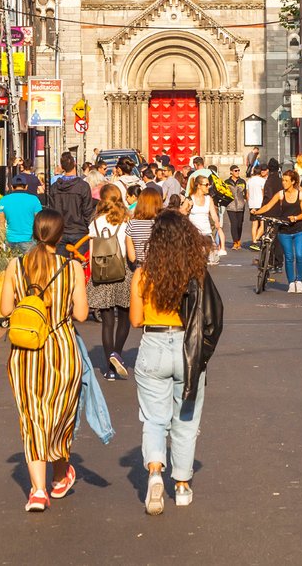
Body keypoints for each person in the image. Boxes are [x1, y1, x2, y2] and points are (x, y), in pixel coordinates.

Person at [1, 208, 88, 513]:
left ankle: (38, 490)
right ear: (60, 235)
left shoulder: (16, 265)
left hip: (25, 353)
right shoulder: (71, 268)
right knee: (60, 416)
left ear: (34, 232)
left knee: (32, 418)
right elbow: (80, 315)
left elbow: (4, 309)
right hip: (61, 351)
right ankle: (61, 472)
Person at [130, 211, 217, 515]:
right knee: (186, 420)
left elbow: (136, 319)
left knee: (154, 419)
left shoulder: (143, 274)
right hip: (187, 348)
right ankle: (181, 485)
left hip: (153, 345)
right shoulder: (195, 272)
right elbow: (210, 316)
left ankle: (155, 472)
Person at [87, 188, 137, 380]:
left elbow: (92, 251)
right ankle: (117, 354)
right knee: (123, 319)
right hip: (123, 270)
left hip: (102, 270)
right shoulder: (126, 221)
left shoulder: (95, 222)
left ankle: (109, 368)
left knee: (107, 322)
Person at [255, 168, 302, 292]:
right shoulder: (280, 194)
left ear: (293, 182)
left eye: (286, 180)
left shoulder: (300, 194)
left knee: (300, 256)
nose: (283, 183)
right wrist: (256, 212)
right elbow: (268, 206)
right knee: (289, 257)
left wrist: (295, 217)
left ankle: (299, 281)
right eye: (283, 180)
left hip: (298, 230)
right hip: (284, 230)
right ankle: (291, 283)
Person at [0, 176, 42, 252]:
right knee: (28, 263)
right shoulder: (34, 200)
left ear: (12, 187)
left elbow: (1, 223)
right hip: (29, 239)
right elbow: (39, 221)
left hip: (10, 240)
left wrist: (1, 240)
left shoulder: (4, 200)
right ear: (26, 187)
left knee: (12, 263)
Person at [184, 174, 222, 261]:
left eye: (209, 184)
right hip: (194, 235)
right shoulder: (190, 199)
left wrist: (217, 223)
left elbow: (213, 214)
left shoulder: (209, 199)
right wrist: (188, 208)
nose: (208, 187)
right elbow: (181, 213)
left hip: (206, 233)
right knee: (195, 259)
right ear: (199, 186)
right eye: (206, 185)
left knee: (205, 260)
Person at [127, 187, 161, 266]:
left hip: (140, 269)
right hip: (159, 269)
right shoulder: (162, 224)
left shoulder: (132, 224)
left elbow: (132, 257)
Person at [245, 160, 270, 250]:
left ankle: (253, 241)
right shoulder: (262, 181)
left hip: (252, 204)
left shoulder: (249, 181)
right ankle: (256, 240)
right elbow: (264, 193)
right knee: (262, 224)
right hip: (260, 204)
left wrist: (249, 203)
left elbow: (247, 194)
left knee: (254, 224)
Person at [223, 164, 247, 252]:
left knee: (239, 224)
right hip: (231, 206)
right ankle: (235, 242)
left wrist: (245, 200)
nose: (237, 172)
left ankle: (238, 240)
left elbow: (245, 192)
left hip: (240, 206)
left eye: (238, 170)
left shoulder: (242, 181)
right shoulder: (226, 182)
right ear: (231, 172)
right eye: (235, 171)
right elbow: (224, 192)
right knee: (233, 223)